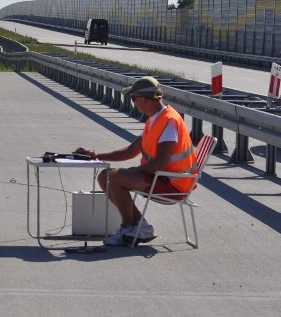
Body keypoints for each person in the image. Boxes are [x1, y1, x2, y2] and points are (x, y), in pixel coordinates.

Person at [74, 76, 196, 246]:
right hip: (160, 177)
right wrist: (96, 156)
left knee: (115, 177)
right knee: (104, 176)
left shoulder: (169, 121)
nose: (133, 102)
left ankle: (128, 226)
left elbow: (160, 162)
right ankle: (141, 227)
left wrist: (131, 172)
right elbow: (131, 151)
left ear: (146, 100)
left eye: (133, 98)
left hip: (173, 184)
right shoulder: (155, 119)